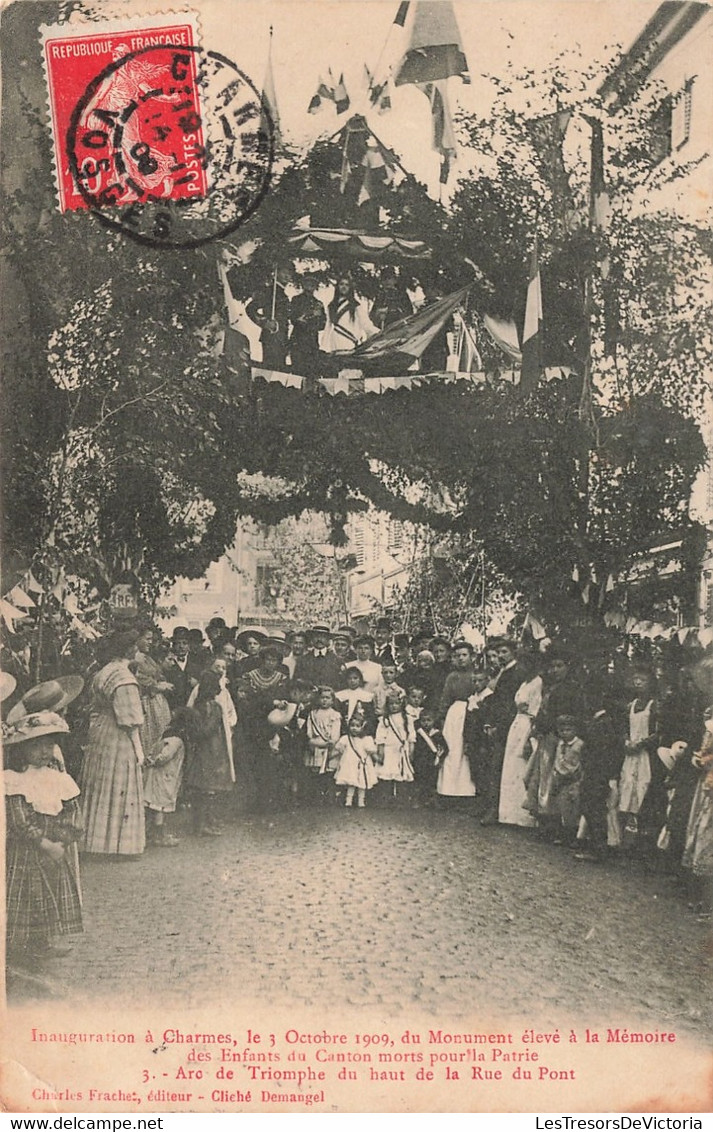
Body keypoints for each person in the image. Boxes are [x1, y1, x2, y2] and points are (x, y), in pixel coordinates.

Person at [4, 711, 84, 961]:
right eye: (36, 745)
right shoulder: (13, 780)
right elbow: (18, 819)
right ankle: (18, 947)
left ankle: (42, 943)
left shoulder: (58, 779)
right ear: (21, 748)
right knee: (27, 896)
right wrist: (43, 843)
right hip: (27, 851)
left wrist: (63, 839)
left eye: (49, 745)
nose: (44, 751)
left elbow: (74, 812)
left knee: (50, 895)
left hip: (55, 848)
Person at [81, 629, 146, 856]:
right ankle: (117, 846)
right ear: (131, 650)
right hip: (117, 736)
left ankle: (95, 842)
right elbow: (130, 721)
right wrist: (139, 751)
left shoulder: (103, 672)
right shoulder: (124, 678)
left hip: (99, 732)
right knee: (119, 784)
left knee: (100, 785)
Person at [186, 670, 234, 835]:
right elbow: (210, 729)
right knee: (209, 789)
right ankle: (206, 823)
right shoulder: (214, 707)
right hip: (212, 749)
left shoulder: (197, 706)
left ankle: (198, 825)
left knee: (200, 788)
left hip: (199, 750)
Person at [497, 654, 542, 827]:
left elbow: (535, 711)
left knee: (523, 768)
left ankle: (524, 815)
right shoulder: (524, 683)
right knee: (511, 768)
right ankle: (510, 814)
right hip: (517, 725)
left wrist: (529, 736)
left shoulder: (537, 683)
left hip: (527, 726)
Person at [143, 712, 191, 847]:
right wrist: (154, 761)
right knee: (160, 806)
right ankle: (159, 835)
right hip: (164, 777)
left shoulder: (166, 736)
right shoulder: (176, 740)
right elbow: (165, 756)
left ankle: (152, 833)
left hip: (158, 776)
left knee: (155, 804)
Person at [134, 625, 173, 761]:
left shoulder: (146, 657)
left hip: (156, 703)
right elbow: (138, 681)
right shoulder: (135, 660)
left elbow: (157, 674)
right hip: (145, 703)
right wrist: (156, 687)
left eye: (151, 639)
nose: (150, 642)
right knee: (146, 741)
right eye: (147, 639)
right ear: (137, 639)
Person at [246, 265, 291, 369]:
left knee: (279, 370)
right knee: (271, 370)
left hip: (282, 338)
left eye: (289, 273)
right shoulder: (270, 291)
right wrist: (265, 322)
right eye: (284, 272)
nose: (287, 276)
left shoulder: (282, 293)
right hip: (271, 336)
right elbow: (250, 308)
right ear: (276, 273)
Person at [304, 686, 343, 800]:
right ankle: (316, 794)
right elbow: (309, 730)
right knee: (315, 770)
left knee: (328, 770)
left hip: (329, 746)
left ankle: (328, 794)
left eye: (327, 698)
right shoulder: (313, 714)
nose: (324, 700)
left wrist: (332, 741)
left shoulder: (335, 714)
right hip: (316, 743)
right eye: (322, 698)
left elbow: (336, 731)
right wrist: (311, 740)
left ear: (332, 700)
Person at [321, 276, 377, 353]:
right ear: (337, 287)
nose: (344, 287)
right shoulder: (331, 306)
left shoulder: (356, 306)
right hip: (334, 341)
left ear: (350, 288)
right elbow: (328, 326)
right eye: (342, 284)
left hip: (349, 341)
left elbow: (366, 324)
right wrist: (323, 346)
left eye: (347, 285)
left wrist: (378, 333)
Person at [375, 691, 414, 802]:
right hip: (389, 749)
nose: (394, 706)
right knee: (388, 772)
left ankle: (400, 798)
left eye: (397, 703)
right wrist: (381, 750)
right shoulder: (384, 719)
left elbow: (411, 735)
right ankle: (386, 797)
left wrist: (411, 749)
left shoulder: (407, 718)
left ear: (401, 704)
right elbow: (380, 735)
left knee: (401, 772)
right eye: (391, 704)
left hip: (402, 749)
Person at [333, 713, 379, 808]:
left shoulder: (366, 739)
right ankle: (348, 800)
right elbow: (338, 748)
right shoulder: (346, 738)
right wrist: (331, 755)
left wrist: (377, 758)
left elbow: (371, 750)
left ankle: (361, 800)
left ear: (363, 727)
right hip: (349, 763)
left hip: (362, 763)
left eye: (357, 726)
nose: (354, 728)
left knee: (362, 782)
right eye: (352, 725)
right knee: (351, 781)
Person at [289, 275, 325, 377]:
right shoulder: (296, 300)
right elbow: (294, 319)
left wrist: (318, 318)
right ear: (303, 285)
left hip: (312, 342)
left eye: (313, 284)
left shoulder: (318, 303)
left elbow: (322, 325)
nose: (310, 286)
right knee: (297, 373)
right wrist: (312, 314)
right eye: (307, 283)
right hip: (298, 341)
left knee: (312, 373)